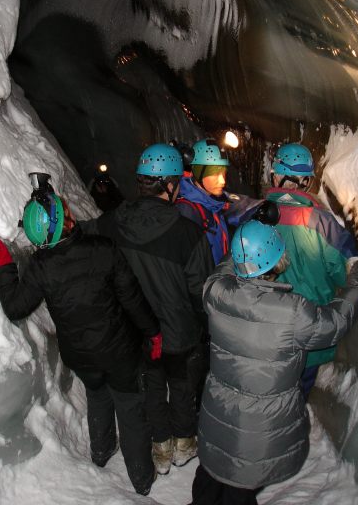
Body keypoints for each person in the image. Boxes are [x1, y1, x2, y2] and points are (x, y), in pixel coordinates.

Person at [0, 173, 161, 496]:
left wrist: (5, 265)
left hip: (80, 355)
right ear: (65, 221)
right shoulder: (102, 249)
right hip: (119, 350)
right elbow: (131, 298)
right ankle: (141, 478)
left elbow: (15, 307)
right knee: (130, 408)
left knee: (97, 396)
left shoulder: (41, 267)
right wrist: (153, 333)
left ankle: (101, 451)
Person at [191, 220, 358, 505]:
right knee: (240, 487)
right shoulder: (291, 312)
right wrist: (356, 286)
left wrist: (240, 249)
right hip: (259, 429)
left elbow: (223, 269)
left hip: (218, 413)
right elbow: (336, 323)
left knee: (212, 476)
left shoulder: (216, 293)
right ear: (276, 262)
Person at [83, 144, 214, 475]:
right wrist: (206, 328)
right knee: (182, 387)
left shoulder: (111, 223)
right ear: (170, 184)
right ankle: (184, 443)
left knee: (151, 387)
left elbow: (83, 239)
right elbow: (202, 292)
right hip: (181, 332)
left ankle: (161, 447)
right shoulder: (189, 234)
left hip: (138, 331)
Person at [265, 142, 358, 398]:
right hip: (310, 332)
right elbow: (346, 271)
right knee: (298, 394)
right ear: (306, 182)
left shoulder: (257, 216)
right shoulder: (323, 223)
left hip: (267, 330)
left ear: (275, 176)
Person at [176, 139, 279, 265]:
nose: (222, 181)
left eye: (223, 173)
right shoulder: (187, 211)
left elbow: (237, 203)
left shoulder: (214, 199)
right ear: (198, 172)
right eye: (214, 174)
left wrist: (260, 208)